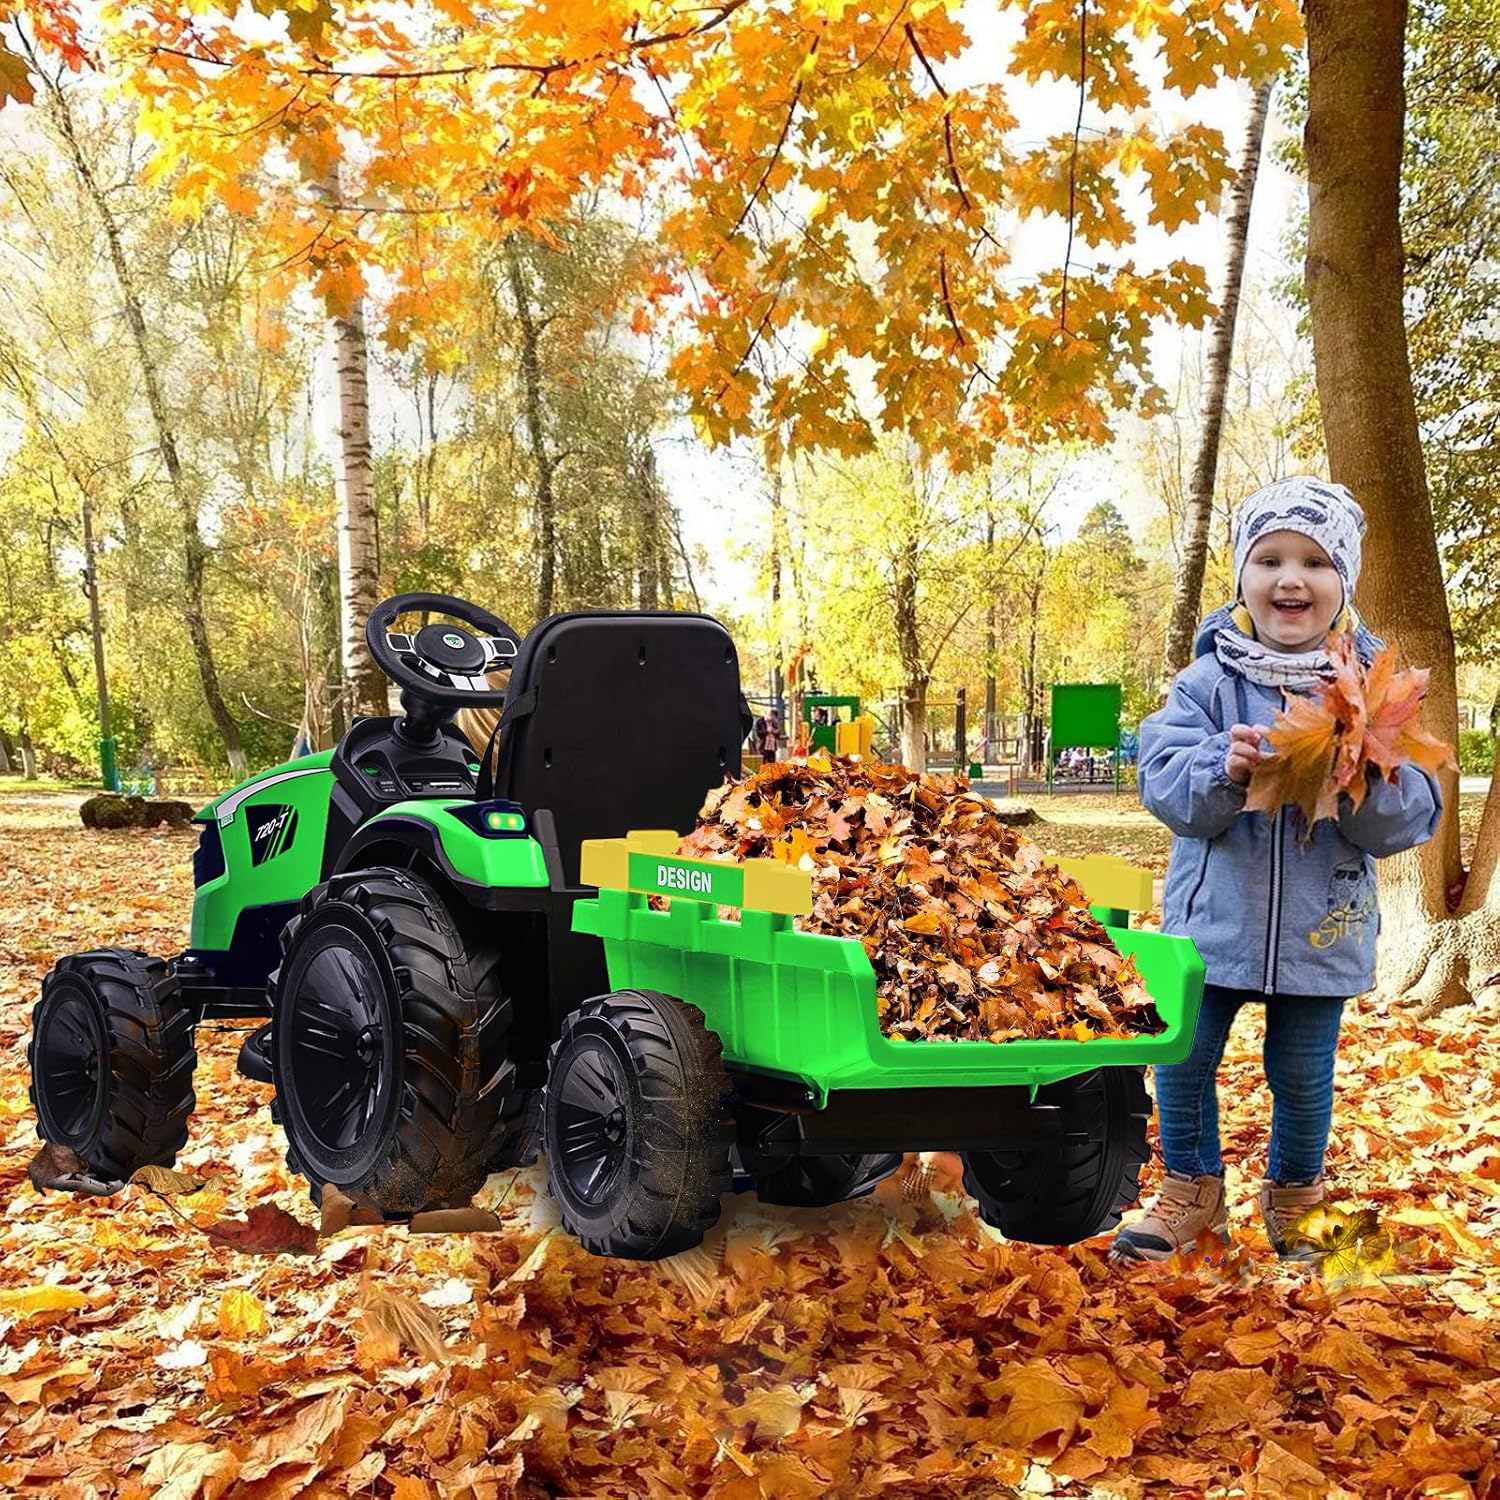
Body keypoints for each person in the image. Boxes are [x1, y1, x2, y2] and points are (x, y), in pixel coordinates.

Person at [1109, 476, 1442, 1264]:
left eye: (1316, 563)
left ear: (1343, 583)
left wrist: (1358, 773)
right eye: (1270, 560)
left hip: (1321, 925)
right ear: (1243, 577)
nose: (1291, 579)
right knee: (1182, 1061)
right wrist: (1221, 770)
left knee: (1301, 1075)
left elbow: (1411, 817)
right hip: (1211, 923)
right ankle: (1192, 1190)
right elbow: (1167, 786)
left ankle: (1298, 1203)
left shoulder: (1371, 688)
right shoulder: (1206, 684)